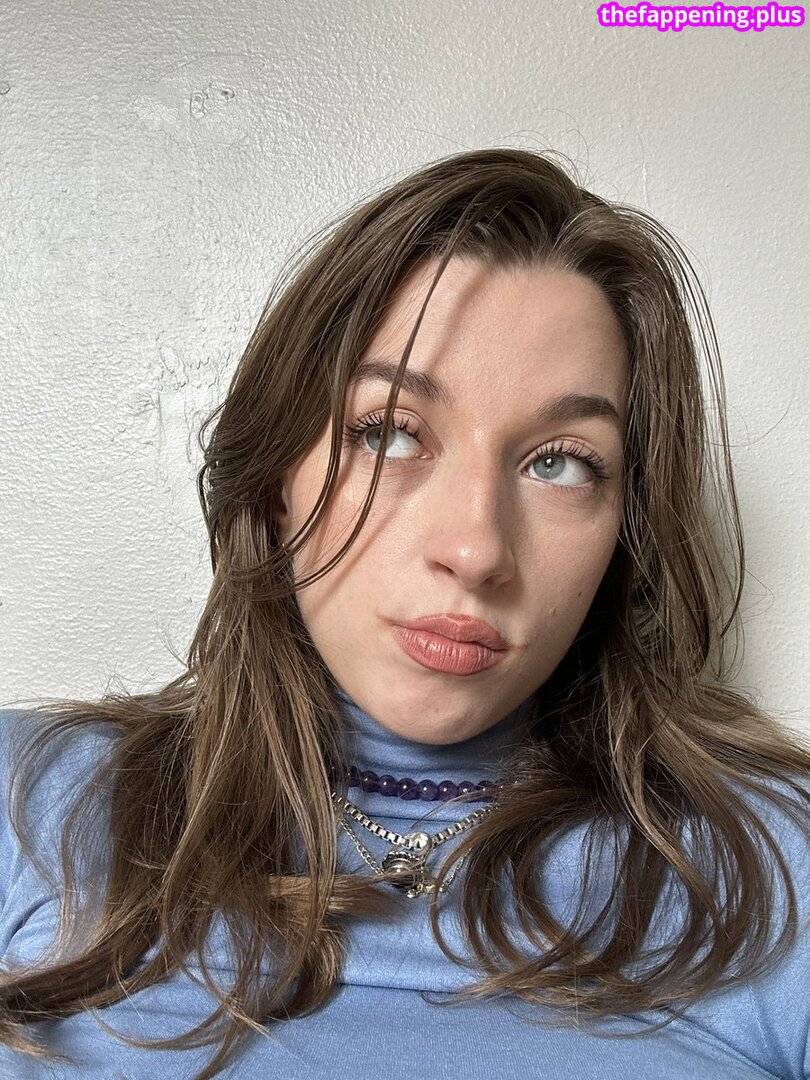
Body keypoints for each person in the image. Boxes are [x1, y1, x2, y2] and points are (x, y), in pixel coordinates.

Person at [1, 147, 809, 1080]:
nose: (476, 549)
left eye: (560, 462)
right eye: (390, 433)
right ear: (276, 479)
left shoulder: (773, 872)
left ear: (623, 532)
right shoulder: (31, 809)